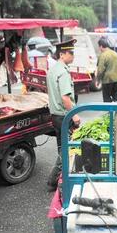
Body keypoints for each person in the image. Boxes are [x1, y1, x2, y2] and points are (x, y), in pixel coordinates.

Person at [46, 40, 81, 191]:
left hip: (55, 115)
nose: (73, 55)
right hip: (64, 116)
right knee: (66, 149)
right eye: (70, 52)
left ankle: (60, 178)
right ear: (62, 54)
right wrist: (74, 116)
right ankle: (53, 180)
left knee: (61, 146)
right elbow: (65, 98)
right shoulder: (63, 72)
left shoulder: (53, 69)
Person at [96, 37, 117, 102]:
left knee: (106, 97)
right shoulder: (115, 53)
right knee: (114, 94)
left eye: (99, 47)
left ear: (101, 46)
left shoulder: (103, 55)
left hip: (107, 80)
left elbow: (100, 70)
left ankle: (109, 111)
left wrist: (98, 80)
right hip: (116, 79)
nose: (99, 49)